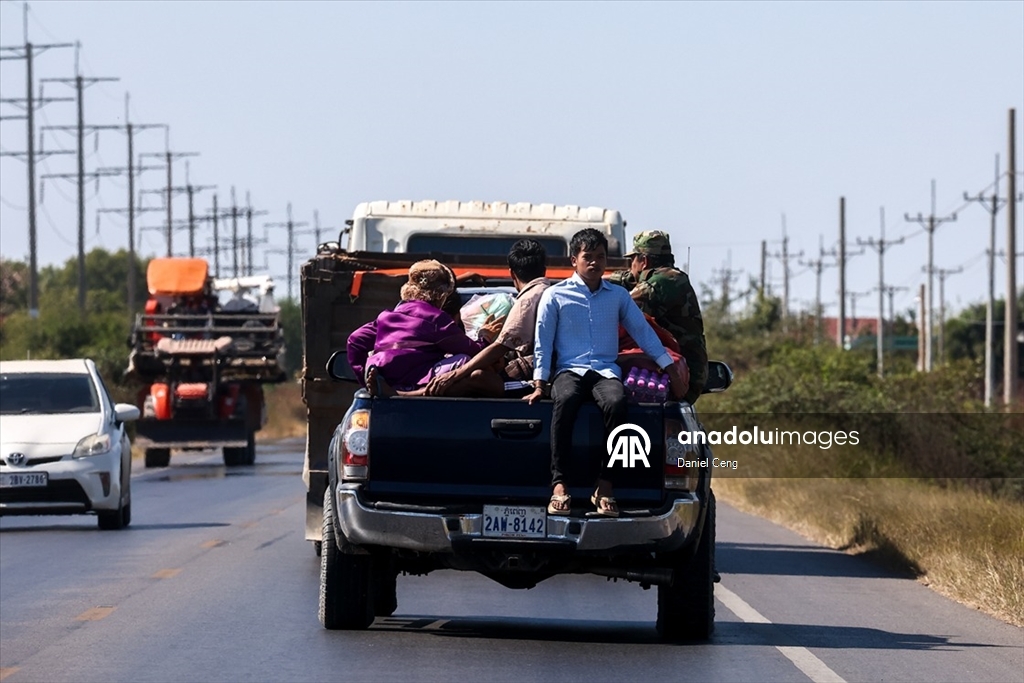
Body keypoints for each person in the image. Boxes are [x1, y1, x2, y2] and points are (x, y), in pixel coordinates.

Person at [525, 228, 685, 518]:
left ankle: (605, 484)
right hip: (569, 370)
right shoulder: (555, 296)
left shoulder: (618, 296)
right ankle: (560, 484)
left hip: (604, 370)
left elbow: (643, 333)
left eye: (600, 257)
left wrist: (668, 365)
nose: (595, 263)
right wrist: (539, 382)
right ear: (574, 260)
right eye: (588, 257)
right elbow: (543, 343)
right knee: (566, 400)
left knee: (616, 403)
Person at [346, 259, 501, 397]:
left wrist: (366, 383)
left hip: (385, 375)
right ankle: (407, 395)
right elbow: (472, 352)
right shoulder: (436, 319)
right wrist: (485, 337)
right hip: (415, 380)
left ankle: (390, 390)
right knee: (464, 361)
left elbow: (354, 341)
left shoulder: (387, 316)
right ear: (441, 294)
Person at [425, 239, 550, 397]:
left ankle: (416, 394)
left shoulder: (529, 299)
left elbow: (501, 346)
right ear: (544, 270)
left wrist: (455, 374)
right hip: (541, 369)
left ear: (512, 273)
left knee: (475, 377)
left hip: (536, 377)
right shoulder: (548, 293)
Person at [608, 230, 708, 404]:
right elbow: (625, 278)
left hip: (679, 374)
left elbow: (619, 312)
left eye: (633, 260)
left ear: (644, 261)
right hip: (674, 369)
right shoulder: (670, 277)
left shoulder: (663, 283)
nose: (630, 265)